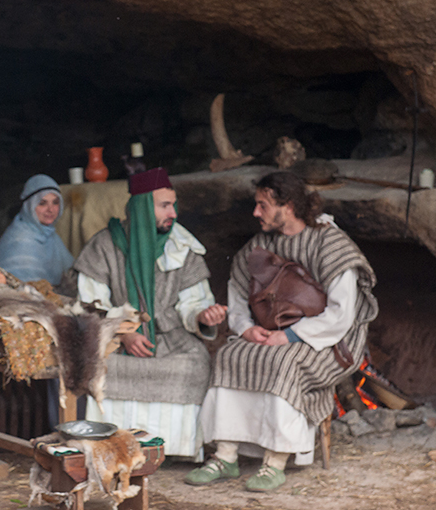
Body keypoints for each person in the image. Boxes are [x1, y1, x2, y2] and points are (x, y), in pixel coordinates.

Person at [186, 171, 377, 492]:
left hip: (328, 341)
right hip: (269, 332)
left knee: (283, 362)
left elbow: (342, 313)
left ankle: (275, 462)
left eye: (262, 205)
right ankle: (226, 456)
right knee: (231, 354)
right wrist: (246, 330)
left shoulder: (329, 243)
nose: (255, 212)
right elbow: (236, 292)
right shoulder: (258, 245)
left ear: (287, 205)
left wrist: (289, 336)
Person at [73, 167, 227, 459]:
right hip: (117, 339)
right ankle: (112, 448)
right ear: (143, 207)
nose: (174, 212)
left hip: (170, 338)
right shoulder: (104, 246)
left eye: (174, 204)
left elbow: (192, 302)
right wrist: (124, 331)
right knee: (102, 366)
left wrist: (201, 316)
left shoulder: (183, 247)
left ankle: (176, 449)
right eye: (165, 205)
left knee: (193, 364)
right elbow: (89, 304)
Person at [0, 174, 73, 286]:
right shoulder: (20, 240)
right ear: (29, 206)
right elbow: (26, 292)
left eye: (55, 202)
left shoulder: (49, 234)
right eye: (42, 203)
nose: (50, 209)